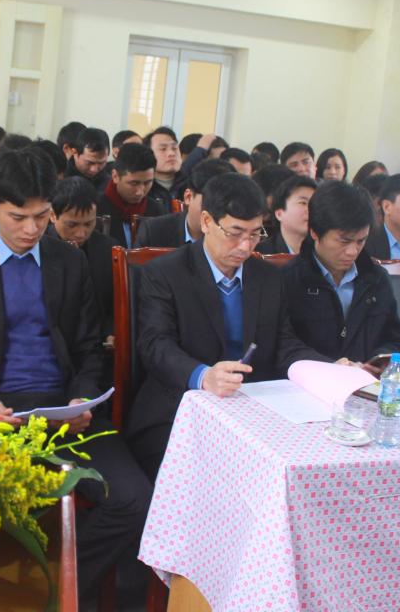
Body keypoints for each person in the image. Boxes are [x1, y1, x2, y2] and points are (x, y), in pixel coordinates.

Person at [0, 149, 151, 609]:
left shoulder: (68, 261)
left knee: (133, 499)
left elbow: (88, 348)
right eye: (18, 217)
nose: (31, 229)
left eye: (42, 216)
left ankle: (55, 590)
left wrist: (82, 398)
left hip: (64, 410)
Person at [127, 174, 311, 480]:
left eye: (255, 234)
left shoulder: (267, 277)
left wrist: (328, 369)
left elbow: (285, 343)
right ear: (206, 221)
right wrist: (203, 376)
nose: (245, 246)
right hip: (178, 412)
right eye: (235, 233)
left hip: (250, 413)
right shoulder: (165, 273)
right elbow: (155, 345)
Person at [282, 181, 400, 370]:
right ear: (314, 233)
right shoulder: (288, 280)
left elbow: (396, 340)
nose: (353, 251)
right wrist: (330, 367)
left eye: (361, 241)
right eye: (344, 241)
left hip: (365, 381)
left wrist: (379, 362)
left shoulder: (376, 279)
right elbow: (283, 346)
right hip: (311, 381)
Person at [49, 176, 122, 338]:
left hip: (98, 337)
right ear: (52, 215)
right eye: (72, 225)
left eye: (89, 224)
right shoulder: (40, 248)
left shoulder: (108, 249)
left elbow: (117, 305)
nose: (81, 234)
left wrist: (112, 333)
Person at [134, 158, 235, 248]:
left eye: (225, 207)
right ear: (188, 197)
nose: (217, 214)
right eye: (210, 204)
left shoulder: (237, 237)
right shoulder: (153, 232)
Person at [97, 143, 165, 248]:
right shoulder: (97, 209)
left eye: (147, 183)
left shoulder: (157, 211)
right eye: (134, 183)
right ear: (115, 176)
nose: (140, 192)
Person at [257, 175, 316, 255]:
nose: (310, 209)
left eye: (314, 204)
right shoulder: (260, 255)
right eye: (303, 203)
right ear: (279, 214)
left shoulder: (324, 253)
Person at [143, 126, 182, 210]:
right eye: (163, 149)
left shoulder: (191, 184)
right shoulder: (143, 189)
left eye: (174, 148)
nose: (171, 153)